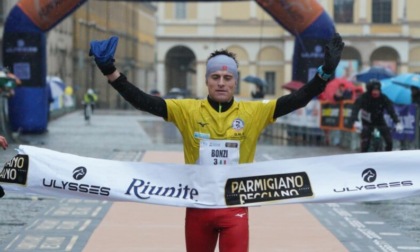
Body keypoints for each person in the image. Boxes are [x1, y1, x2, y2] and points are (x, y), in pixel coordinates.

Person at [89, 33, 344, 251]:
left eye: (227, 78)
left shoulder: (253, 113)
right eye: (215, 78)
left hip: (235, 210)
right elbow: (143, 101)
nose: (221, 83)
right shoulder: (187, 110)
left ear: (235, 81)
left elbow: (297, 99)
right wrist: (109, 70)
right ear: (207, 80)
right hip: (198, 208)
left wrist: (324, 75)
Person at [349, 79, 403, 152]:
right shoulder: (364, 97)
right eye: (374, 90)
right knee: (365, 143)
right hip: (367, 123)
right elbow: (355, 109)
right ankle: (363, 156)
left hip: (380, 121)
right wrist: (355, 121)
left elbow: (391, 111)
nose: (376, 92)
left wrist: (397, 122)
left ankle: (388, 156)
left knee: (389, 141)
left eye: (377, 90)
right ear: (370, 90)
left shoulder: (383, 97)